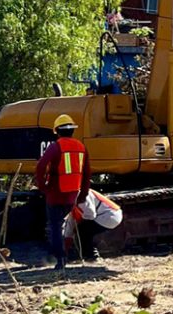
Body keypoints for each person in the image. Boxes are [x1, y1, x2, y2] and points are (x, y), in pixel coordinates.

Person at [34, 114, 91, 271]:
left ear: (57, 131)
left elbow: (40, 166)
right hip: (72, 194)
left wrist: (42, 186)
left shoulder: (56, 147)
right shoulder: (81, 147)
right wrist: (83, 194)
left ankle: (60, 259)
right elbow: (87, 173)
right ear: (73, 131)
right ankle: (64, 254)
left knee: (55, 226)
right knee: (65, 225)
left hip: (55, 194)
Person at [63, 189, 122, 261]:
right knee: (83, 230)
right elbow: (69, 227)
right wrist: (66, 244)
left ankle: (91, 256)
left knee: (82, 229)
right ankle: (88, 255)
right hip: (108, 216)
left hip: (109, 215)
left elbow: (91, 214)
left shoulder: (80, 195)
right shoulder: (73, 204)